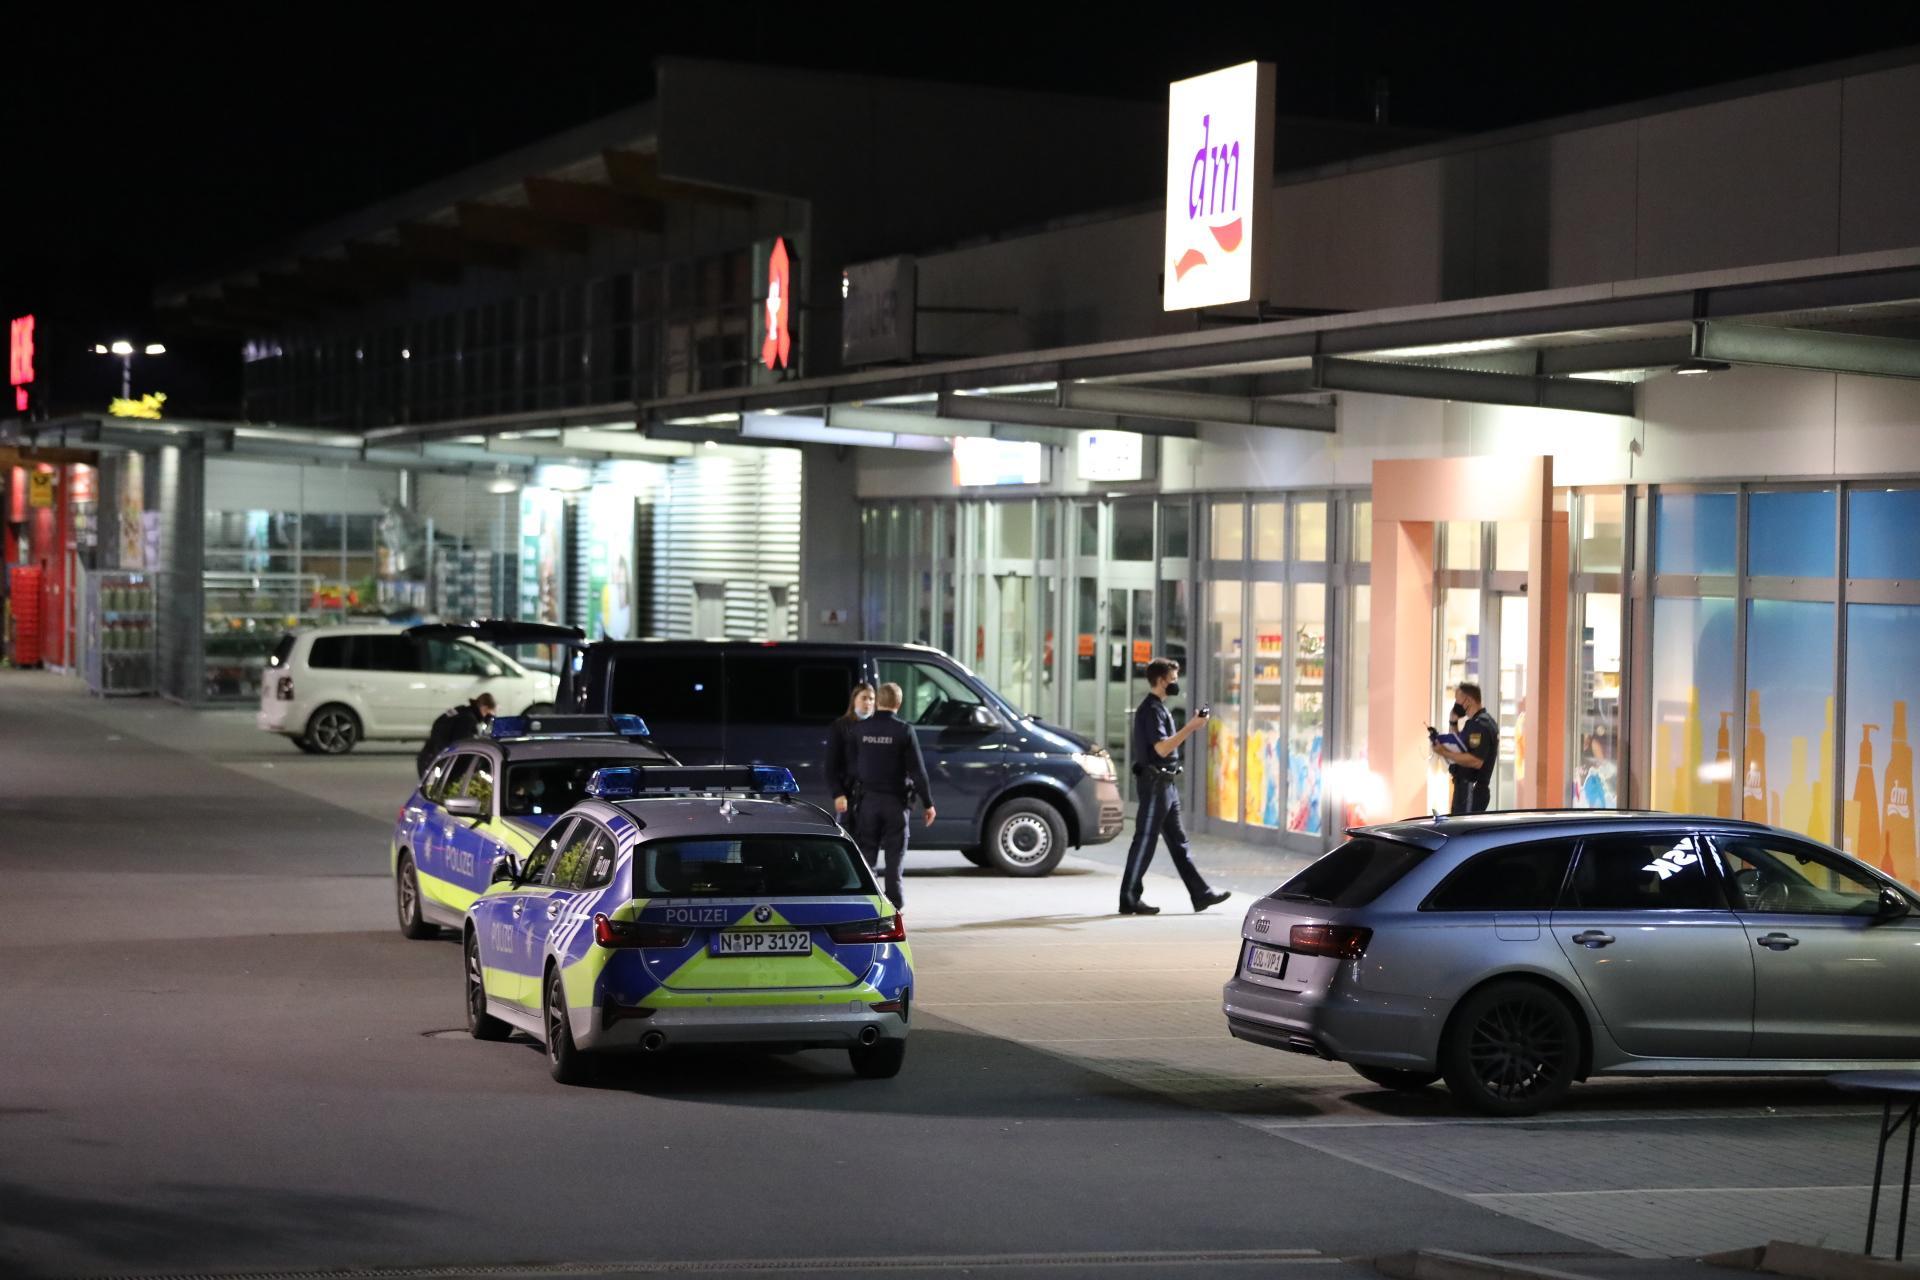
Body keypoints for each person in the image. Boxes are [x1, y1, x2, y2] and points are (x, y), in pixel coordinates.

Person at [1119, 658, 1231, 916]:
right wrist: (1190, 727)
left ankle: (1201, 894)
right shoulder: (1150, 710)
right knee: (1144, 842)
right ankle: (1128, 897)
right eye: (1172, 679)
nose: (1175, 684)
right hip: (1155, 784)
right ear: (1160, 680)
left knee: (1179, 843)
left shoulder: (1160, 708)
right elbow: (1161, 748)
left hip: (1166, 785)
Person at [849, 682, 935, 910]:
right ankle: (894, 903)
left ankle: (867, 901)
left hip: (867, 802)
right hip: (896, 803)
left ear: (878, 702)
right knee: (895, 854)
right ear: (898, 703)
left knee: (867, 852)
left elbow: (851, 768)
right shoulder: (904, 730)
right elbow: (918, 770)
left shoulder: (860, 730)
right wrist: (928, 803)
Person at [1432, 682, 1499, 814]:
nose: (1456, 706)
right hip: (1465, 790)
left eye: (1458, 702)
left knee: (1462, 832)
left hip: (1471, 791)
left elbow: (1476, 761)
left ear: (1468, 700)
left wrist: (1443, 752)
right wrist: (1453, 721)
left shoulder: (1480, 726)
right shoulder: (1475, 723)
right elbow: (1460, 746)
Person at [827, 683, 877, 830]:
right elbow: (831, 766)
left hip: (872, 795)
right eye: (864, 698)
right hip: (849, 793)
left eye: (872, 699)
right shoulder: (841, 726)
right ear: (854, 699)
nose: (868, 703)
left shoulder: (877, 727)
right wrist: (838, 793)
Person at [417, 692, 496, 777]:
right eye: (489, 713)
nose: (488, 718)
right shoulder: (468, 721)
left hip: (430, 758)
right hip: (434, 763)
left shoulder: (462, 712)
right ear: (485, 708)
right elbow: (464, 751)